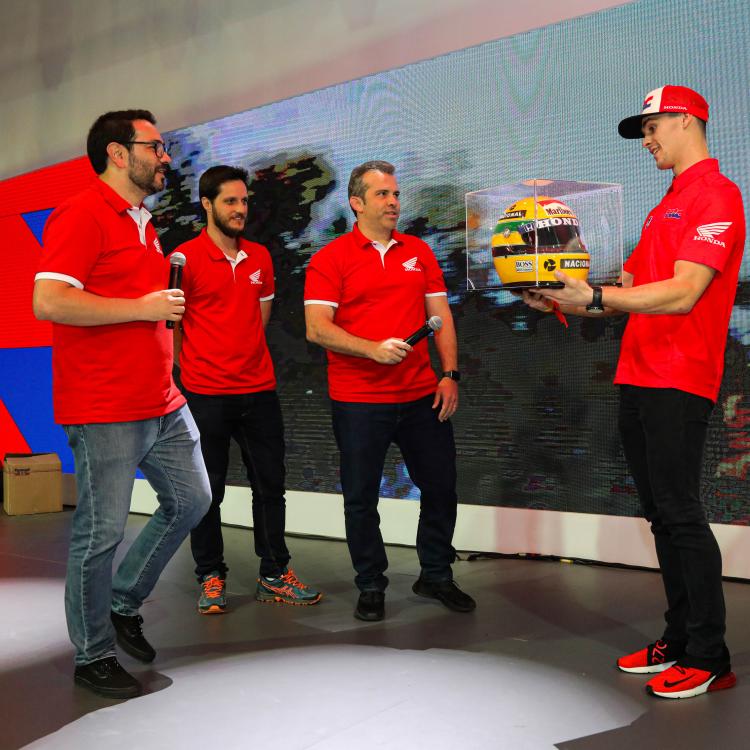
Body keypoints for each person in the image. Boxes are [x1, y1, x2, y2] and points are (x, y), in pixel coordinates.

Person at [524, 85, 745, 699]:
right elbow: (624, 293)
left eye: (652, 127)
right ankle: (679, 638)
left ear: (686, 120)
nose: (646, 140)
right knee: (661, 517)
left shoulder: (718, 195)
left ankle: (710, 656)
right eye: (643, 131)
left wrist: (594, 294)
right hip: (639, 374)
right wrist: (558, 297)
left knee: (680, 513)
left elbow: (684, 293)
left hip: (680, 375)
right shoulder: (663, 206)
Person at [32, 110, 212, 700]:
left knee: (192, 500)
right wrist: (143, 307)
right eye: (154, 146)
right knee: (100, 534)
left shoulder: (142, 220)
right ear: (117, 152)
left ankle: (123, 599)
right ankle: (93, 655)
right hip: (104, 405)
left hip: (160, 399)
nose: (165, 156)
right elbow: (49, 301)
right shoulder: (82, 213)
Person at [304, 160, 475, 621]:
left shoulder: (418, 251)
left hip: (421, 396)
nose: (394, 201)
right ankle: (370, 583)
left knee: (440, 487)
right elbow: (317, 328)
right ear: (356, 203)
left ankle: (435, 574)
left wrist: (450, 374)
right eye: (382, 194)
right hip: (358, 401)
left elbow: (441, 315)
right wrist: (371, 350)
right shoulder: (329, 258)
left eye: (396, 194)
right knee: (361, 498)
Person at [172, 165, 320, 612]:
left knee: (270, 486)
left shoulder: (260, 258)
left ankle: (274, 574)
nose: (240, 209)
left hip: (258, 391)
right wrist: (192, 372)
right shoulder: (183, 259)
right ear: (207, 204)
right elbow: (171, 330)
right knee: (208, 492)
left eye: (244, 201)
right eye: (230, 201)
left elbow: (259, 319)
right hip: (205, 394)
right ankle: (210, 575)